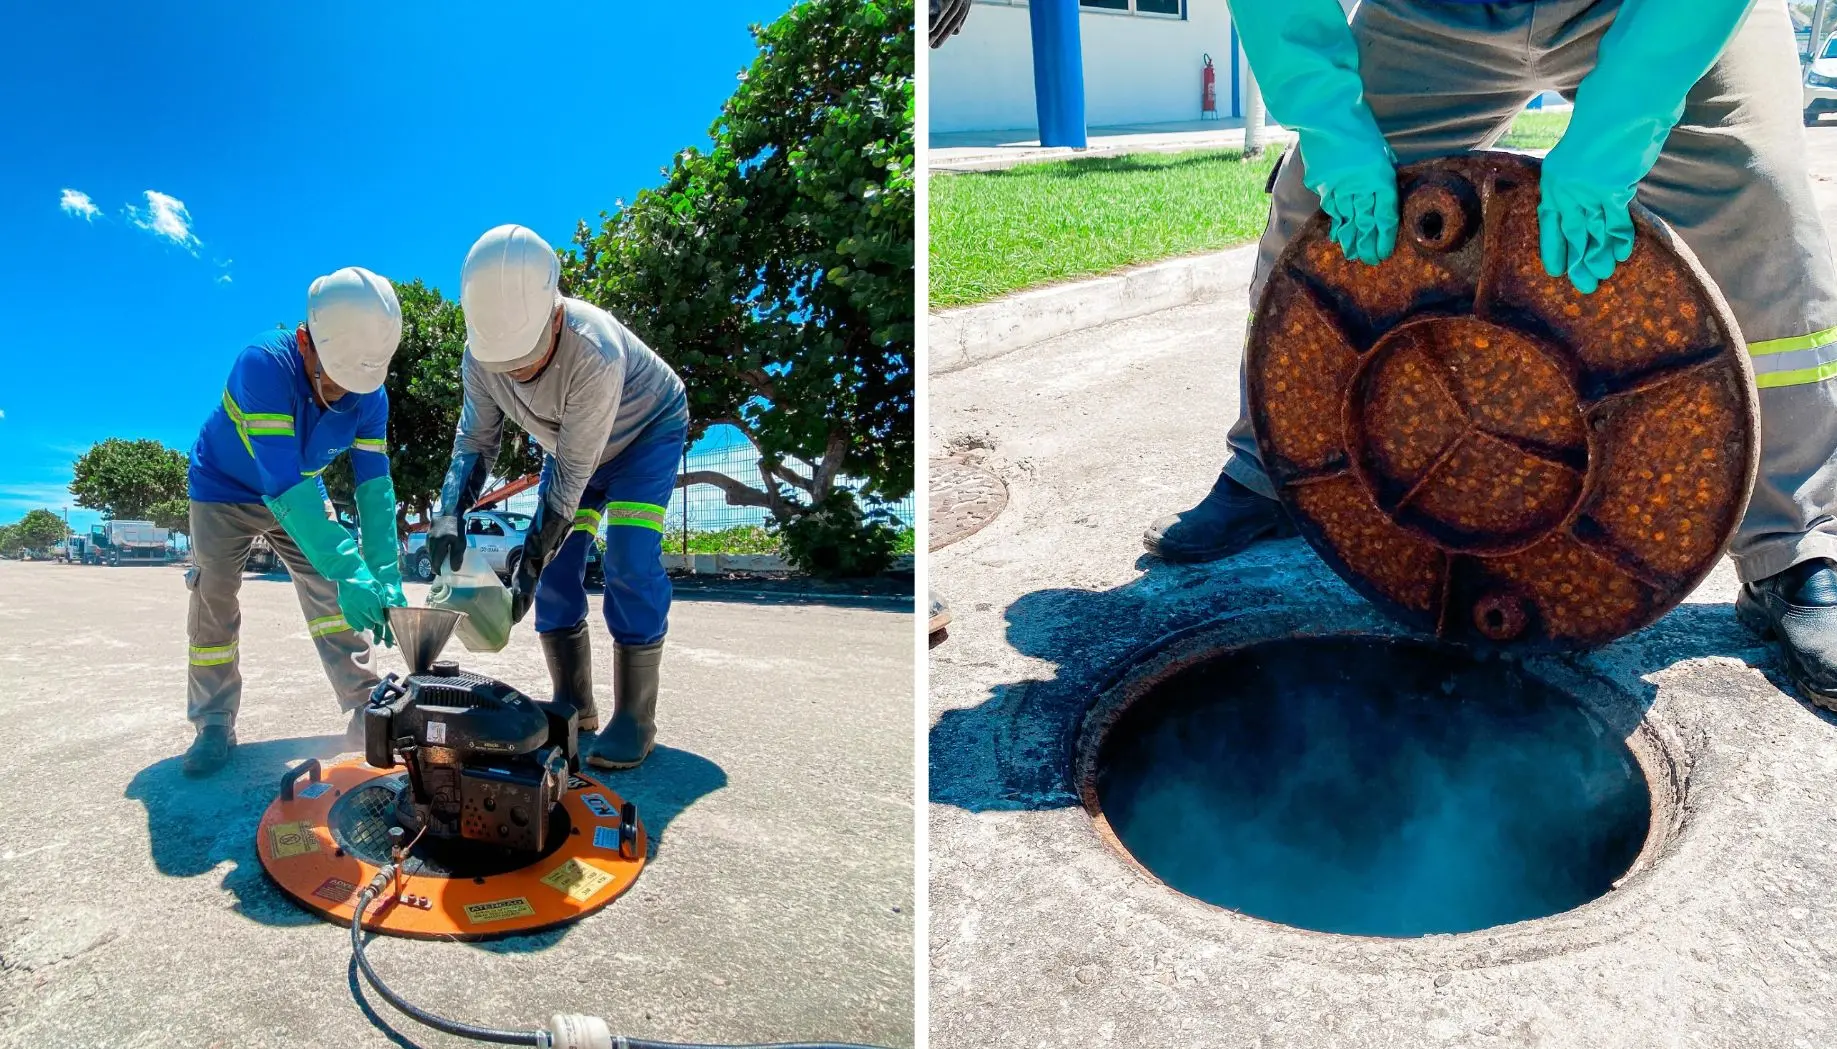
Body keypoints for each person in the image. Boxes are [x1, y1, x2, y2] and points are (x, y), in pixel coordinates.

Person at [1145, 0, 1837, 707]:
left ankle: (1793, 539)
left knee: (1756, 192)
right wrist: (1329, 124)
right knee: (1310, 203)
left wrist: (1615, 128)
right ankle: (1274, 461)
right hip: (1434, 11)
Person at [428, 225, 690, 770]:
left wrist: (526, 564)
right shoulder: (482, 356)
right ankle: (575, 705)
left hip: (644, 435)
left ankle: (636, 718)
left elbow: (571, 477)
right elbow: (476, 440)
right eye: (504, 363)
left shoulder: (593, 348)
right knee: (556, 572)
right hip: (571, 443)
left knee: (628, 561)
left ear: (554, 313)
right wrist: (447, 514)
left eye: (525, 357)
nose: (516, 373)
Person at [183, 267, 408, 776]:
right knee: (213, 598)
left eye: (354, 386)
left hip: (300, 488)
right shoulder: (262, 364)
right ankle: (214, 720)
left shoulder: (369, 394)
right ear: (305, 341)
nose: (341, 396)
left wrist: (385, 573)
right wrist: (349, 567)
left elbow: (375, 487)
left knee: (329, 596)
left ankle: (363, 707)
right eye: (331, 379)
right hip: (225, 488)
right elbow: (279, 477)